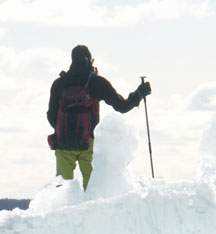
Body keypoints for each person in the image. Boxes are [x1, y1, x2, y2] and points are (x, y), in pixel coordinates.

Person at [47, 45, 151, 190]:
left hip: (64, 144)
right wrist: (139, 94)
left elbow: (51, 115)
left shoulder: (59, 84)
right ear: (89, 60)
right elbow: (122, 106)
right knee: (92, 190)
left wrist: (65, 132)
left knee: (62, 190)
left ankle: (61, 211)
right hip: (89, 143)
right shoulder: (97, 83)